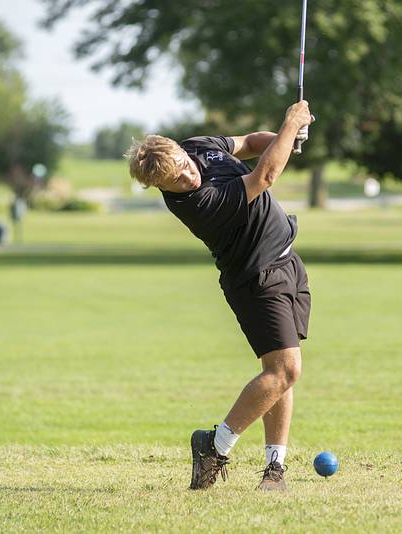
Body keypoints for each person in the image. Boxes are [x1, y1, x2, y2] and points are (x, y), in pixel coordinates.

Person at [125, 101, 315, 491]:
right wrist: (290, 122)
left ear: (181, 148)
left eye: (183, 164)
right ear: (161, 187)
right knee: (285, 370)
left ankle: (274, 470)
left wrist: (287, 137)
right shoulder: (196, 204)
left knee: (280, 374)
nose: (187, 176)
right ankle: (215, 445)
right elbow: (264, 176)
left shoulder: (198, 146)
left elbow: (246, 143)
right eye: (174, 180)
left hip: (288, 262)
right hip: (257, 279)